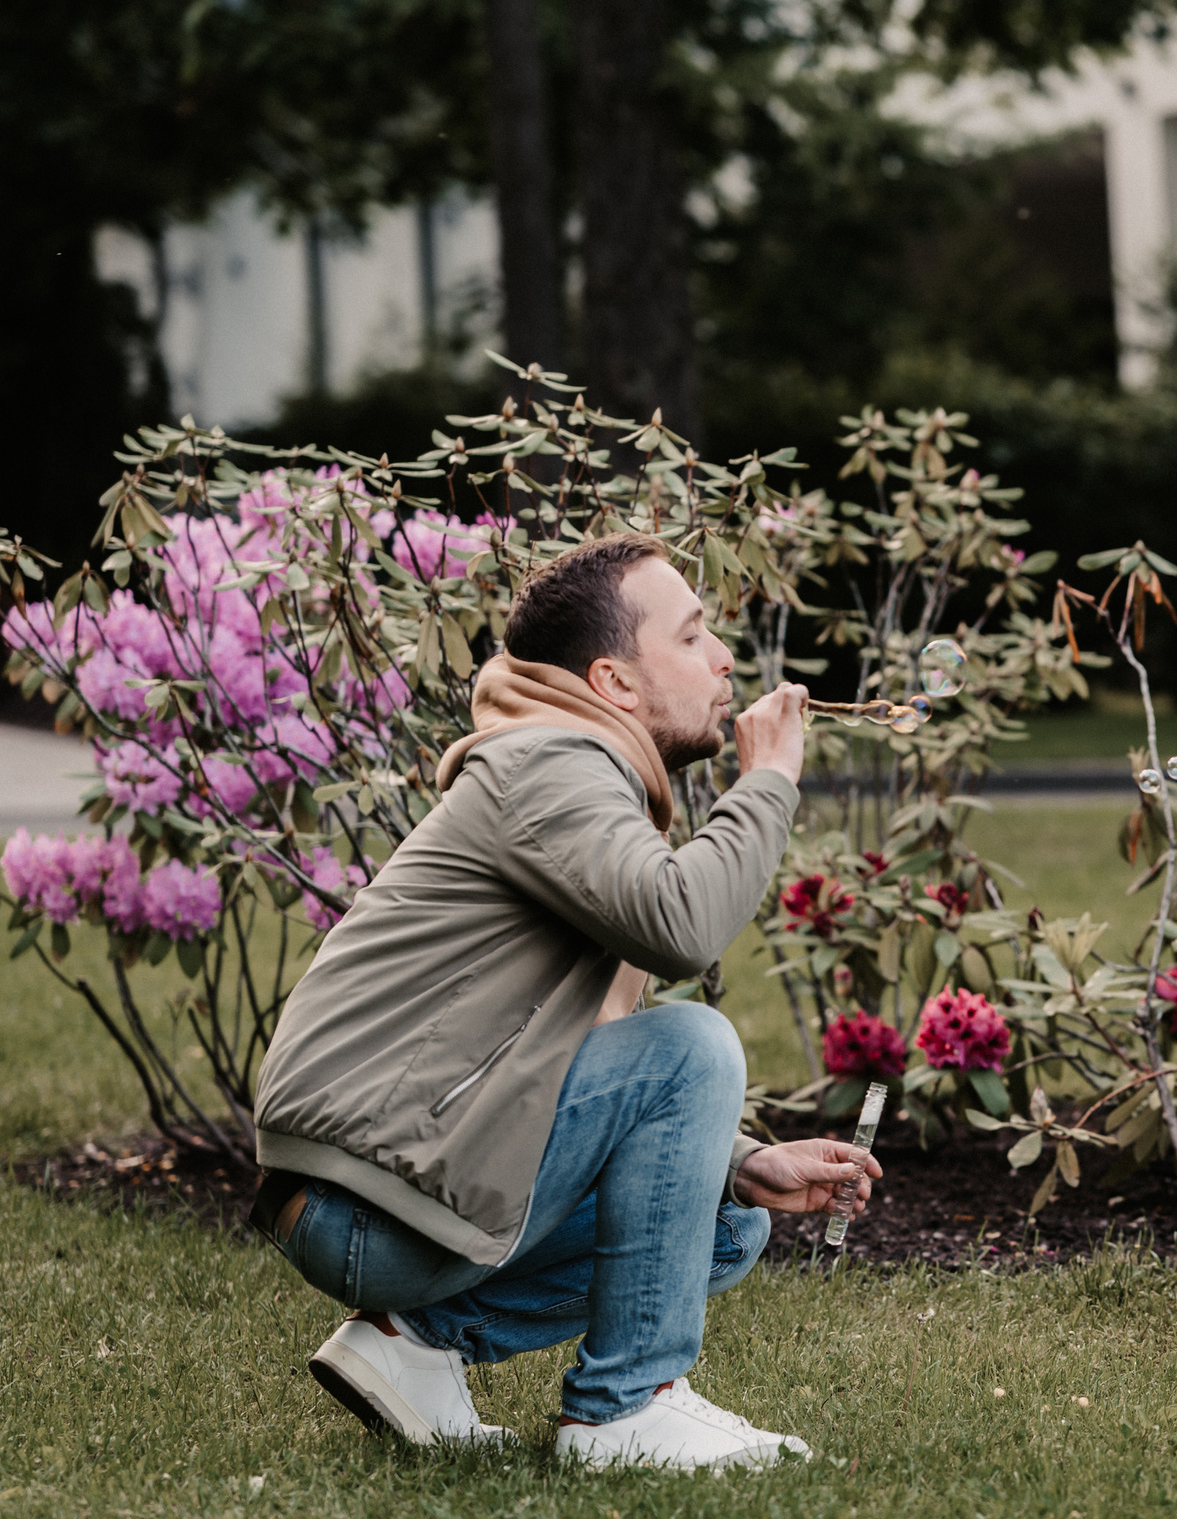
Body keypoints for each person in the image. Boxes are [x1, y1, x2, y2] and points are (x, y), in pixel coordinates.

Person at [250, 532, 881, 1469]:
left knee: (729, 1221)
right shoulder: (548, 763)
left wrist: (740, 1157)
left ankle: (412, 1344)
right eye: (693, 635)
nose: (723, 659)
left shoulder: (569, 768)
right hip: (365, 1204)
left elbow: (576, 1054)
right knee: (693, 1044)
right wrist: (768, 781)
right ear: (613, 681)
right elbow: (681, 926)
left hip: (380, 1192)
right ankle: (624, 1410)